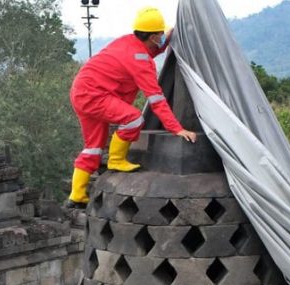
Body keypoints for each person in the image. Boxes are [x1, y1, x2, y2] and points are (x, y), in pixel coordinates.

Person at [67, 6, 197, 208]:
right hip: (95, 94)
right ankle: (116, 159)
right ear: (153, 36)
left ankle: (76, 196)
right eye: (160, 34)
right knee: (133, 118)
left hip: (81, 92)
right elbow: (156, 99)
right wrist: (176, 128)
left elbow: (150, 50)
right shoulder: (140, 60)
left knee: (93, 147)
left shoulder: (129, 42)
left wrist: (168, 38)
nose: (162, 36)